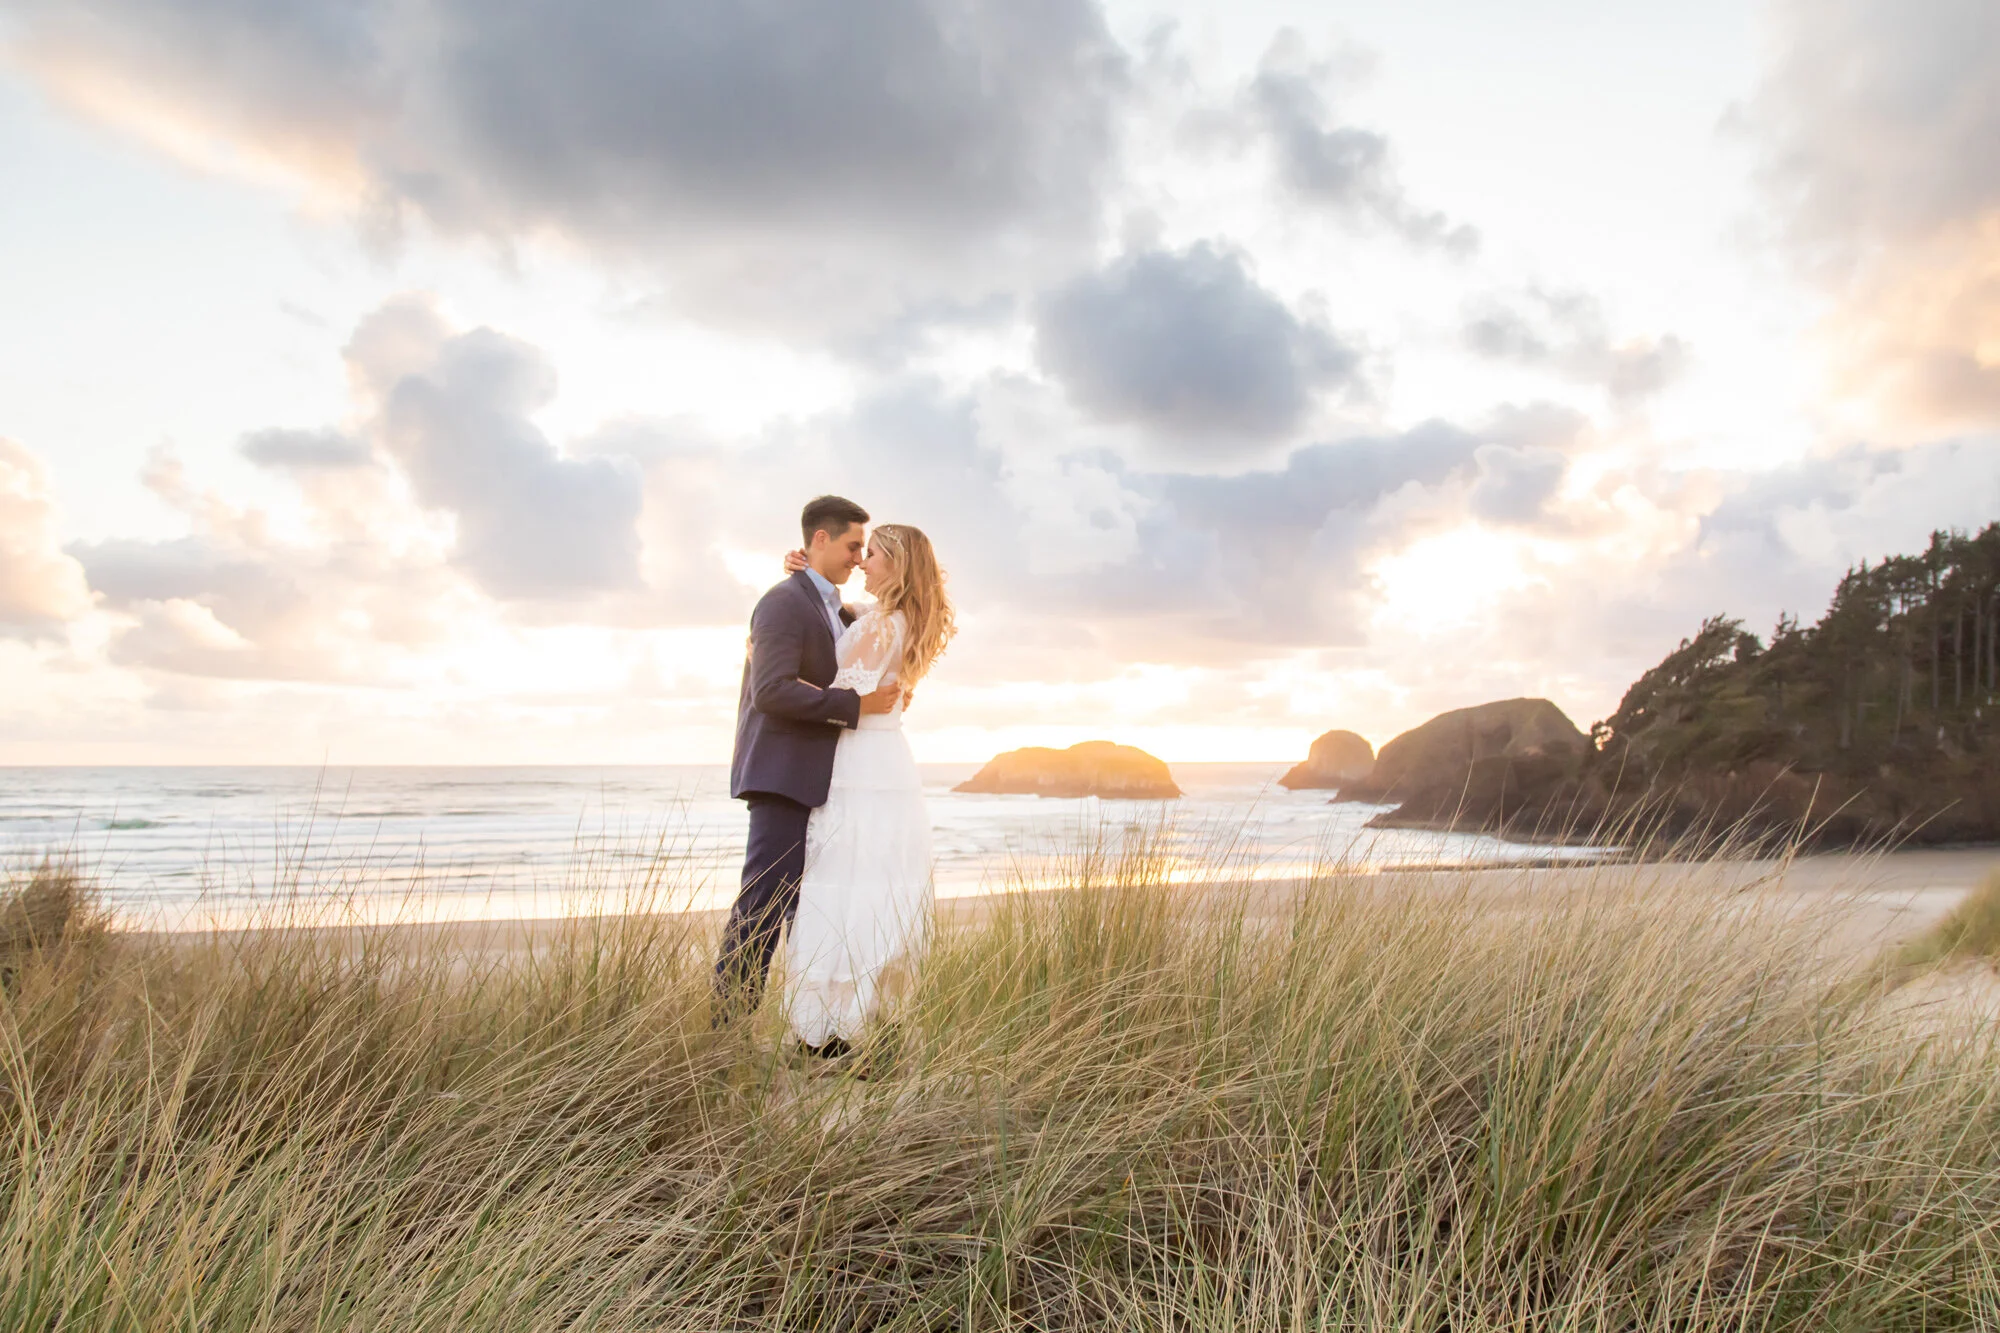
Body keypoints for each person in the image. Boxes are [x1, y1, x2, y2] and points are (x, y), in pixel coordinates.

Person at [713, 495, 904, 1025]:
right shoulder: (782, 602)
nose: (857, 557)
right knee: (761, 910)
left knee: (799, 913)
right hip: (781, 778)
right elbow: (770, 690)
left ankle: (815, 1030)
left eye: (864, 549)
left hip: (814, 783)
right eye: (851, 545)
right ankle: (725, 1030)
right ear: (819, 540)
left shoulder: (829, 605)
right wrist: (854, 706)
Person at [779, 522, 955, 1061]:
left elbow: (838, 694)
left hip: (860, 764)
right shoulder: (890, 621)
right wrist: (807, 574)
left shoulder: (882, 627)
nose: (862, 562)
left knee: (844, 879)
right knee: (867, 881)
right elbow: (842, 620)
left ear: (896, 565)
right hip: (884, 763)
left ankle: (833, 1028)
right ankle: (864, 1017)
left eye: (872, 554)